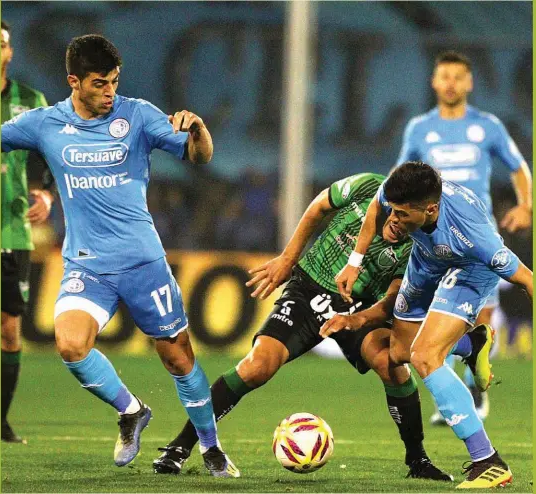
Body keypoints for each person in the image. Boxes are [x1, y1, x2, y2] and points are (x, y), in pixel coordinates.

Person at [1, 34, 239, 477]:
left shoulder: (138, 115)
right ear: (73, 81)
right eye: (99, 84)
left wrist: (200, 131)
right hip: (86, 265)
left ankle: (210, 447)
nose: (110, 92)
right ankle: (131, 411)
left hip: (143, 262)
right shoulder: (45, 124)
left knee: (178, 357)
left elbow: (198, 156)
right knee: (70, 345)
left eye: (114, 82)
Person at [153, 172, 471, 482]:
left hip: (361, 307)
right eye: (395, 213)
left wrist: (356, 319)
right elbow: (319, 205)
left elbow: (390, 303)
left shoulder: (421, 248)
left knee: (392, 364)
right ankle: (180, 446)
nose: (398, 223)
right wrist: (288, 259)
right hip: (309, 289)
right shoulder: (367, 187)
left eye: (406, 219)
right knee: (258, 366)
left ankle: (417, 459)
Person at [334, 162, 533, 488]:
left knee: (426, 356)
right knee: (399, 351)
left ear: (430, 209)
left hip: (469, 269)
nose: (393, 219)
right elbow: (377, 205)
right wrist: (354, 263)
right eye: (393, 212)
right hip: (427, 259)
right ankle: (471, 344)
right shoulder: (402, 194)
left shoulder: (475, 238)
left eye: (401, 215)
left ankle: (488, 461)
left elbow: (527, 279)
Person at [396, 51, 532, 423]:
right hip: (429, 238)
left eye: (459, 76)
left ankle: (476, 395)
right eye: (445, 76)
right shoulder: (419, 129)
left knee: (477, 316)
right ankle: (452, 389)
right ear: (434, 82)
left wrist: (526, 205)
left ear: (469, 82)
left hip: (476, 235)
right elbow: (399, 176)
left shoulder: (487, 126)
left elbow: (519, 167)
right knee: (426, 318)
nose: (452, 83)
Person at [1, 20, 55, 444]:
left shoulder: (30, 101)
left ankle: (0, 421)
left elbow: (52, 153)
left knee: (9, 329)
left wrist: (46, 193)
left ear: (10, 51)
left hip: (12, 230)